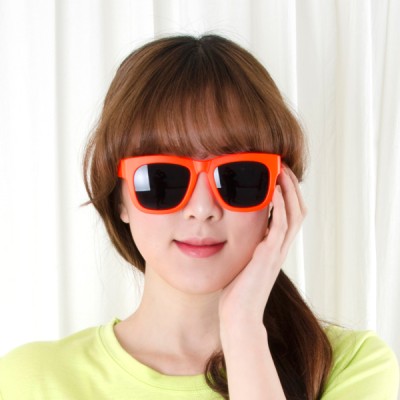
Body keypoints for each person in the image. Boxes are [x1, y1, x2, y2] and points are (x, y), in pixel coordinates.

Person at [0, 34, 398, 400]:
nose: (202, 209)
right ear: (120, 199)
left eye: (238, 176)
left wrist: (242, 326)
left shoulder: (351, 367)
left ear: (279, 194)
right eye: (163, 178)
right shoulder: (31, 381)